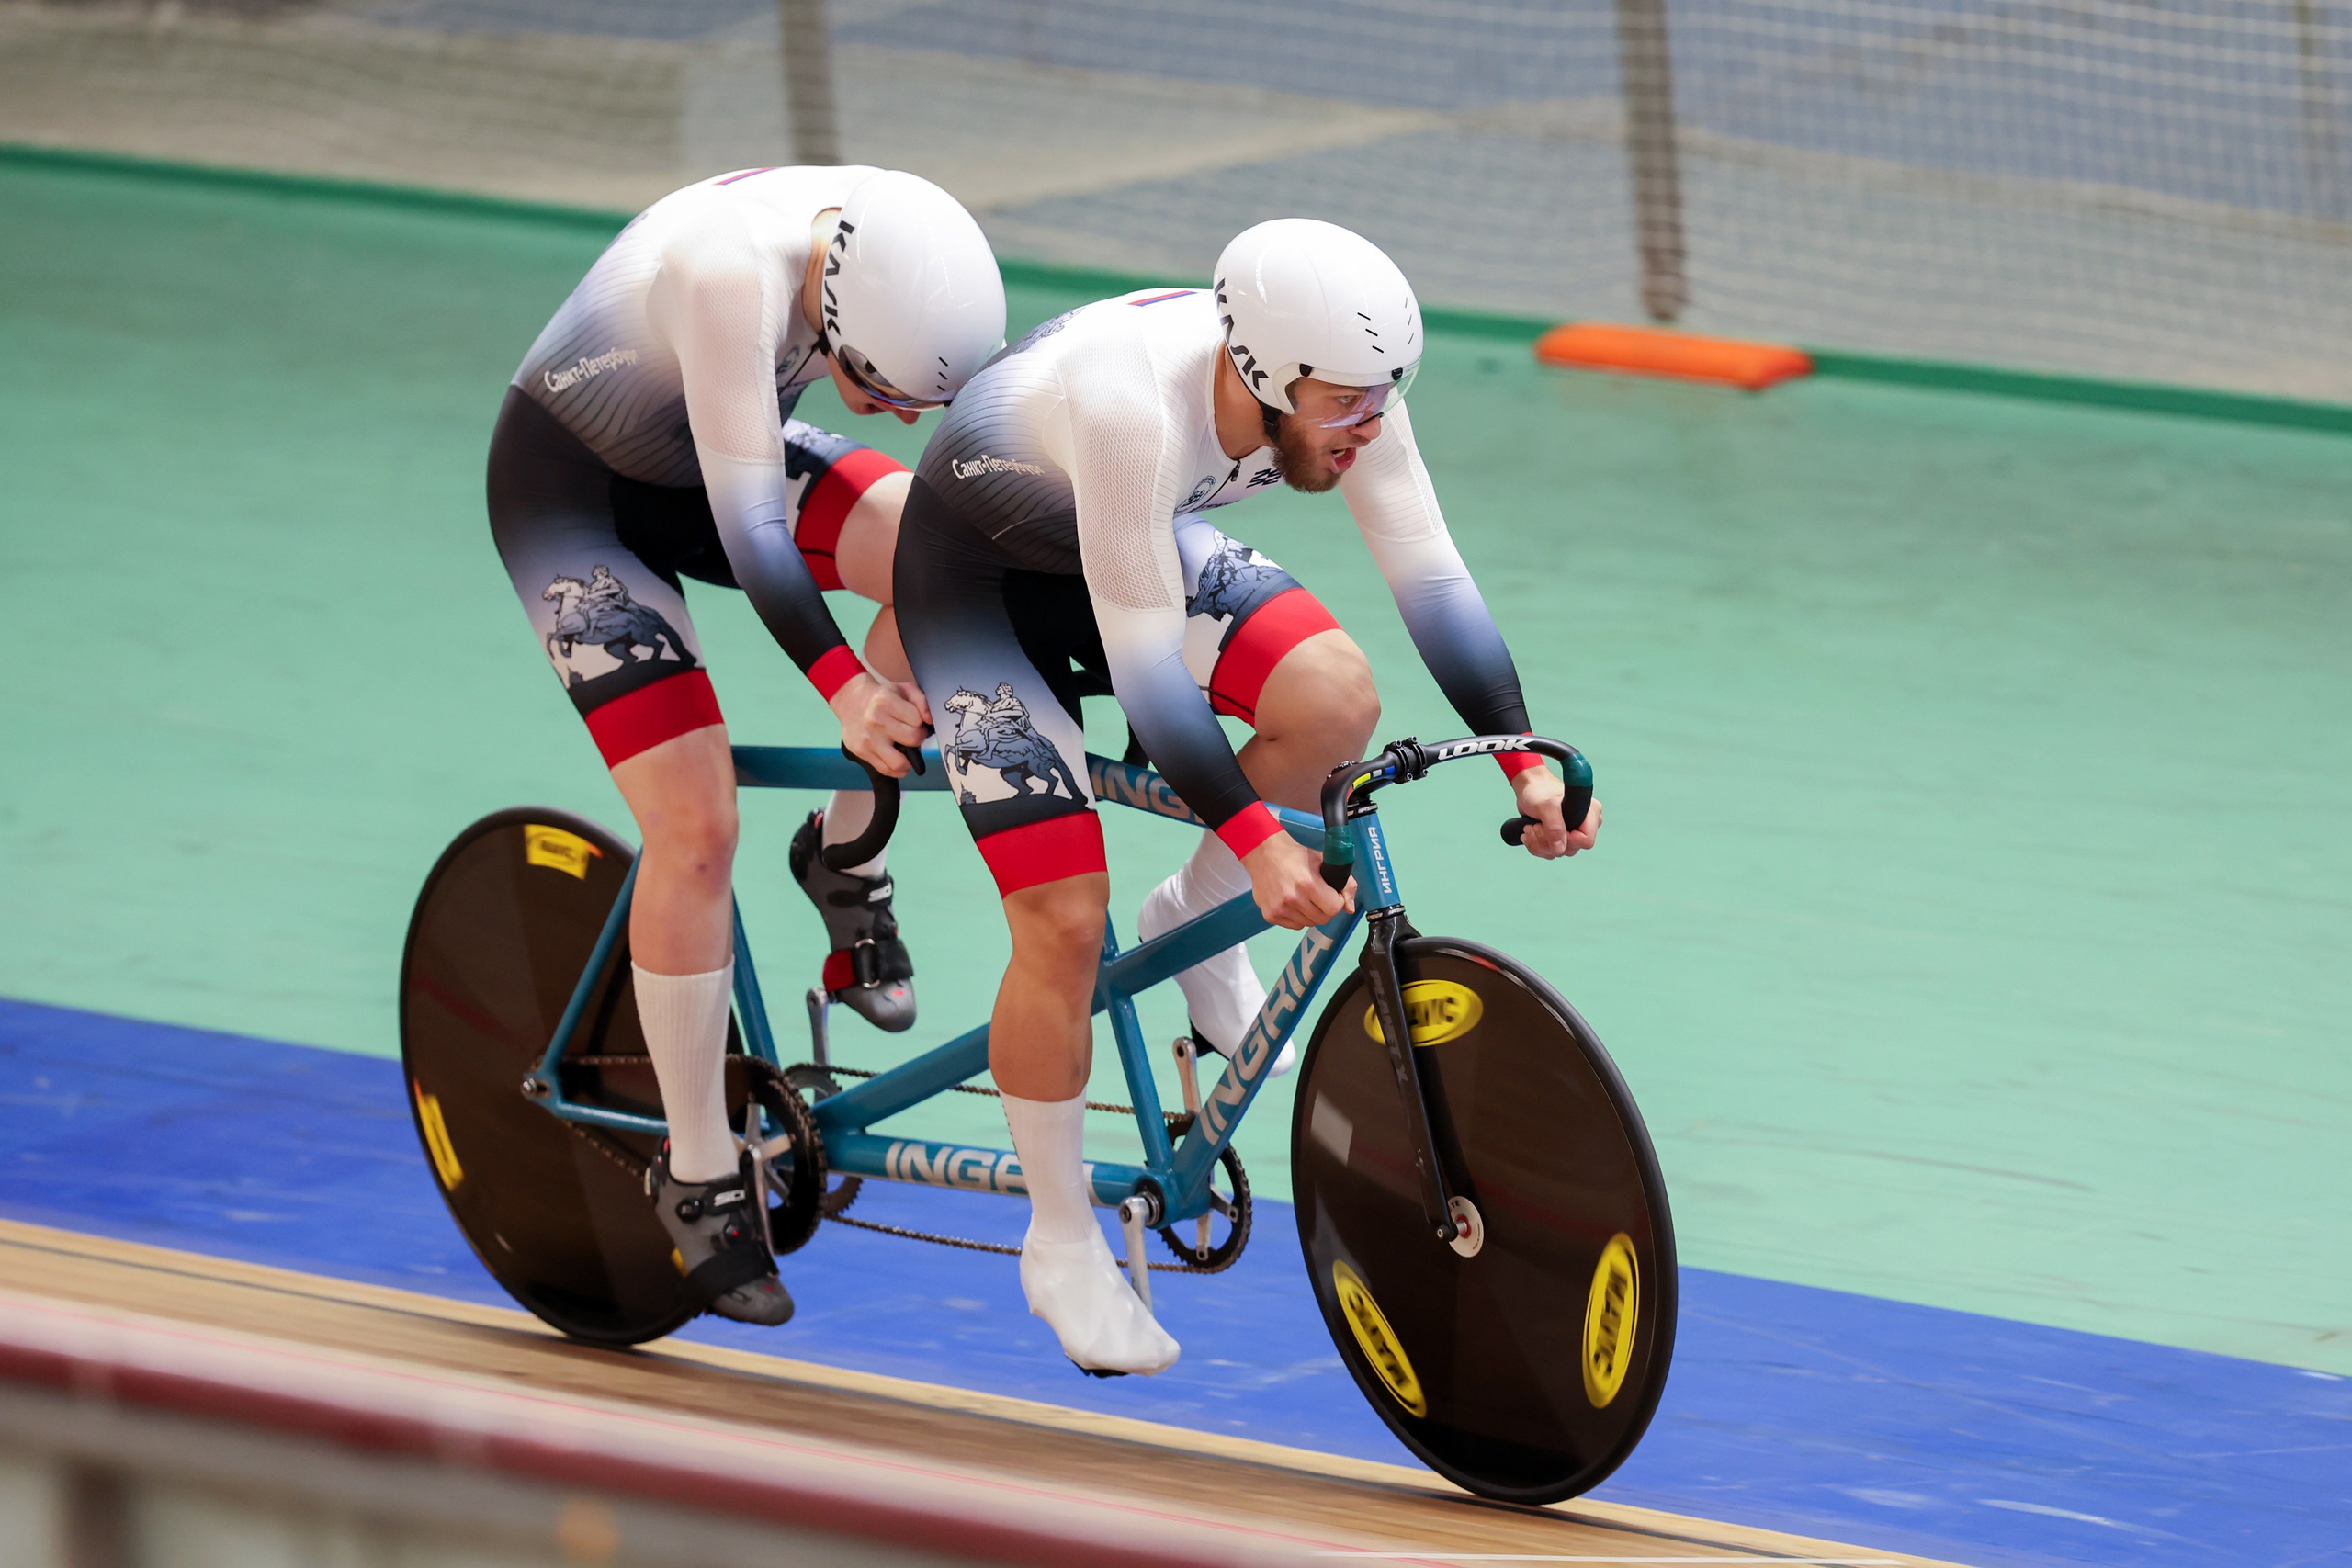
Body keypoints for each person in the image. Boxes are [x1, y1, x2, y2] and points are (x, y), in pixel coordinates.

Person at [894, 220, 1601, 1375]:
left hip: (1123, 545)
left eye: (1385, 396)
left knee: (1331, 696)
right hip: (982, 585)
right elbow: (1146, 673)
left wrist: (1520, 754)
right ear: (1264, 374)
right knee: (1065, 921)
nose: (1366, 427)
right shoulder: (1134, 407)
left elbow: (1432, 580)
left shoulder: (1349, 395)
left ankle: (1193, 916)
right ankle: (1060, 1243)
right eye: (1342, 404)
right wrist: (1255, 835)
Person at [488, 164, 1005, 1326]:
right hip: (578, 495)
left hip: (712, 443)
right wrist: (842, 688)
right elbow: (753, 532)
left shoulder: (897, 236)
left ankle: (843, 859)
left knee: (947, 572)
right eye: (880, 390)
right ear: (833, 309)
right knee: (695, 826)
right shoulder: (729, 270)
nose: (900, 418)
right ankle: (697, 1166)